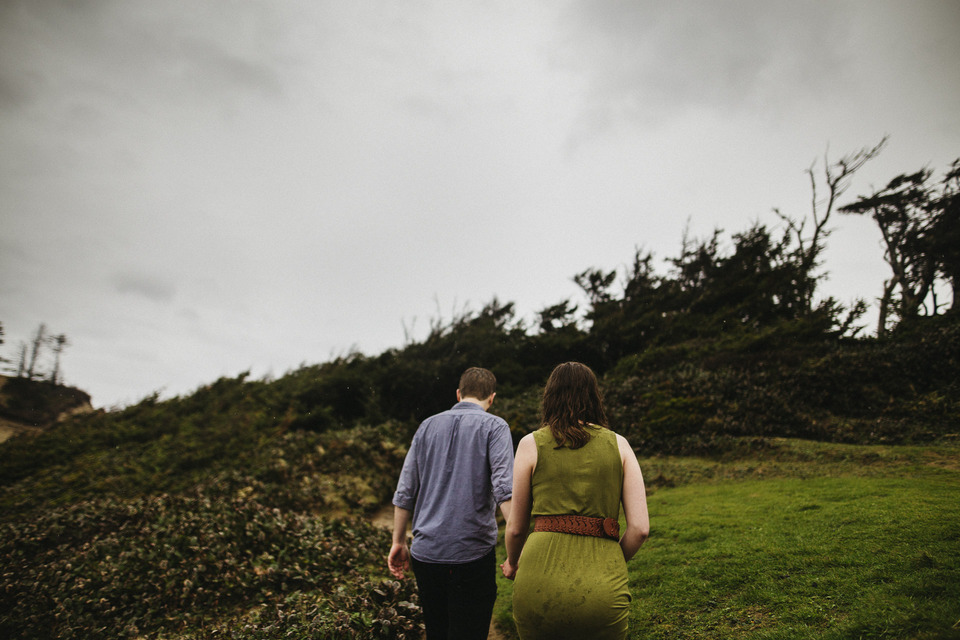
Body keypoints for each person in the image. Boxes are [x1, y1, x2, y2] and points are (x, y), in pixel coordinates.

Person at [501, 362, 649, 640]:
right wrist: (613, 560)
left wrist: (511, 561)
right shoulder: (620, 445)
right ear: (594, 397)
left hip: (537, 581)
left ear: (550, 397)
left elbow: (517, 528)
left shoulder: (530, 444)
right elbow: (640, 529)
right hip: (603, 588)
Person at [388, 367, 514, 640]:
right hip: (472, 554)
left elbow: (406, 490)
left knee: (437, 631)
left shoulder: (426, 426)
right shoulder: (496, 427)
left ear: (458, 394)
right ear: (492, 398)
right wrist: (516, 545)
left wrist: (398, 541)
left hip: (426, 554)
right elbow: (505, 491)